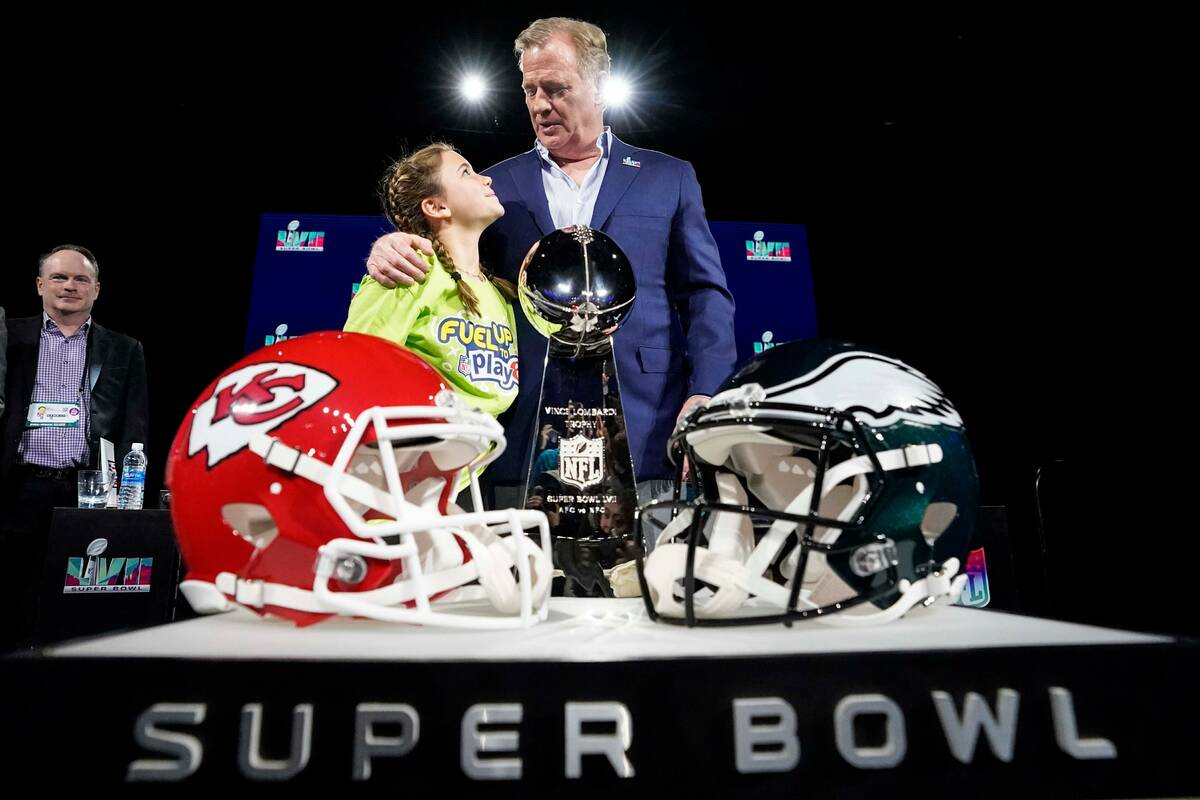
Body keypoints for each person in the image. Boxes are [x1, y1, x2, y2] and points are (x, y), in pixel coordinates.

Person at [362, 18, 737, 523]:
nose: (539, 104)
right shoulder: (495, 188)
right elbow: (448, 256)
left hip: (647, 425)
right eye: (529, 90)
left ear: (600, 85)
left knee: (649, 589)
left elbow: (706, 294)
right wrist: (389, 244)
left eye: (556, 88)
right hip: (522, 442)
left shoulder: (669, 176)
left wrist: (706, 393)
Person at [0, 244, 149, 648]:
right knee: (9, 598)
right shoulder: (6, 336)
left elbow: (134, 426)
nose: (70, 286)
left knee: (74, 603)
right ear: (39, 285)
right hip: (16, 489)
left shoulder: (124, 348)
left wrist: (126, 496)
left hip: (86, 495)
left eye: (81, 279)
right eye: (59, 277)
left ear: (96, 289)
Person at [345, 143, 520, 421]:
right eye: (466, 173)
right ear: (436, 206)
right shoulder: (408, 269)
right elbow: (351, 371)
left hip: (476, 462)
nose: (486, 179)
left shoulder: (499, 294)